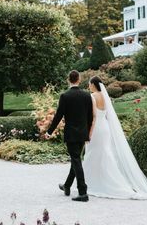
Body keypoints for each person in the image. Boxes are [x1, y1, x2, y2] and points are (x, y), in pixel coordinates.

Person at [82, 76, 147, 201]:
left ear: (93, 84)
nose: (89, 86)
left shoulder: (92, 97)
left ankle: (92, 183)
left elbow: (92, 117)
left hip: (97, 129)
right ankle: (100, 182)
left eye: (89, 84)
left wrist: (88, 132)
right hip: (105, 128)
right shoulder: (105, 97)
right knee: (104, 154)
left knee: (92, 155)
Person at [45, 70, 93, 202]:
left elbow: (58, 116)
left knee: (76, 160)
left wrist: (49, 132)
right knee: (76, 159)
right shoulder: (86, 95)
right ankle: (67, 186)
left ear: (68, 80)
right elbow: (90, 117)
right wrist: (87, 132)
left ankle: (83, 193)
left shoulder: (65, 96)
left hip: (71, 134)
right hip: (83, 134)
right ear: (79, 79)